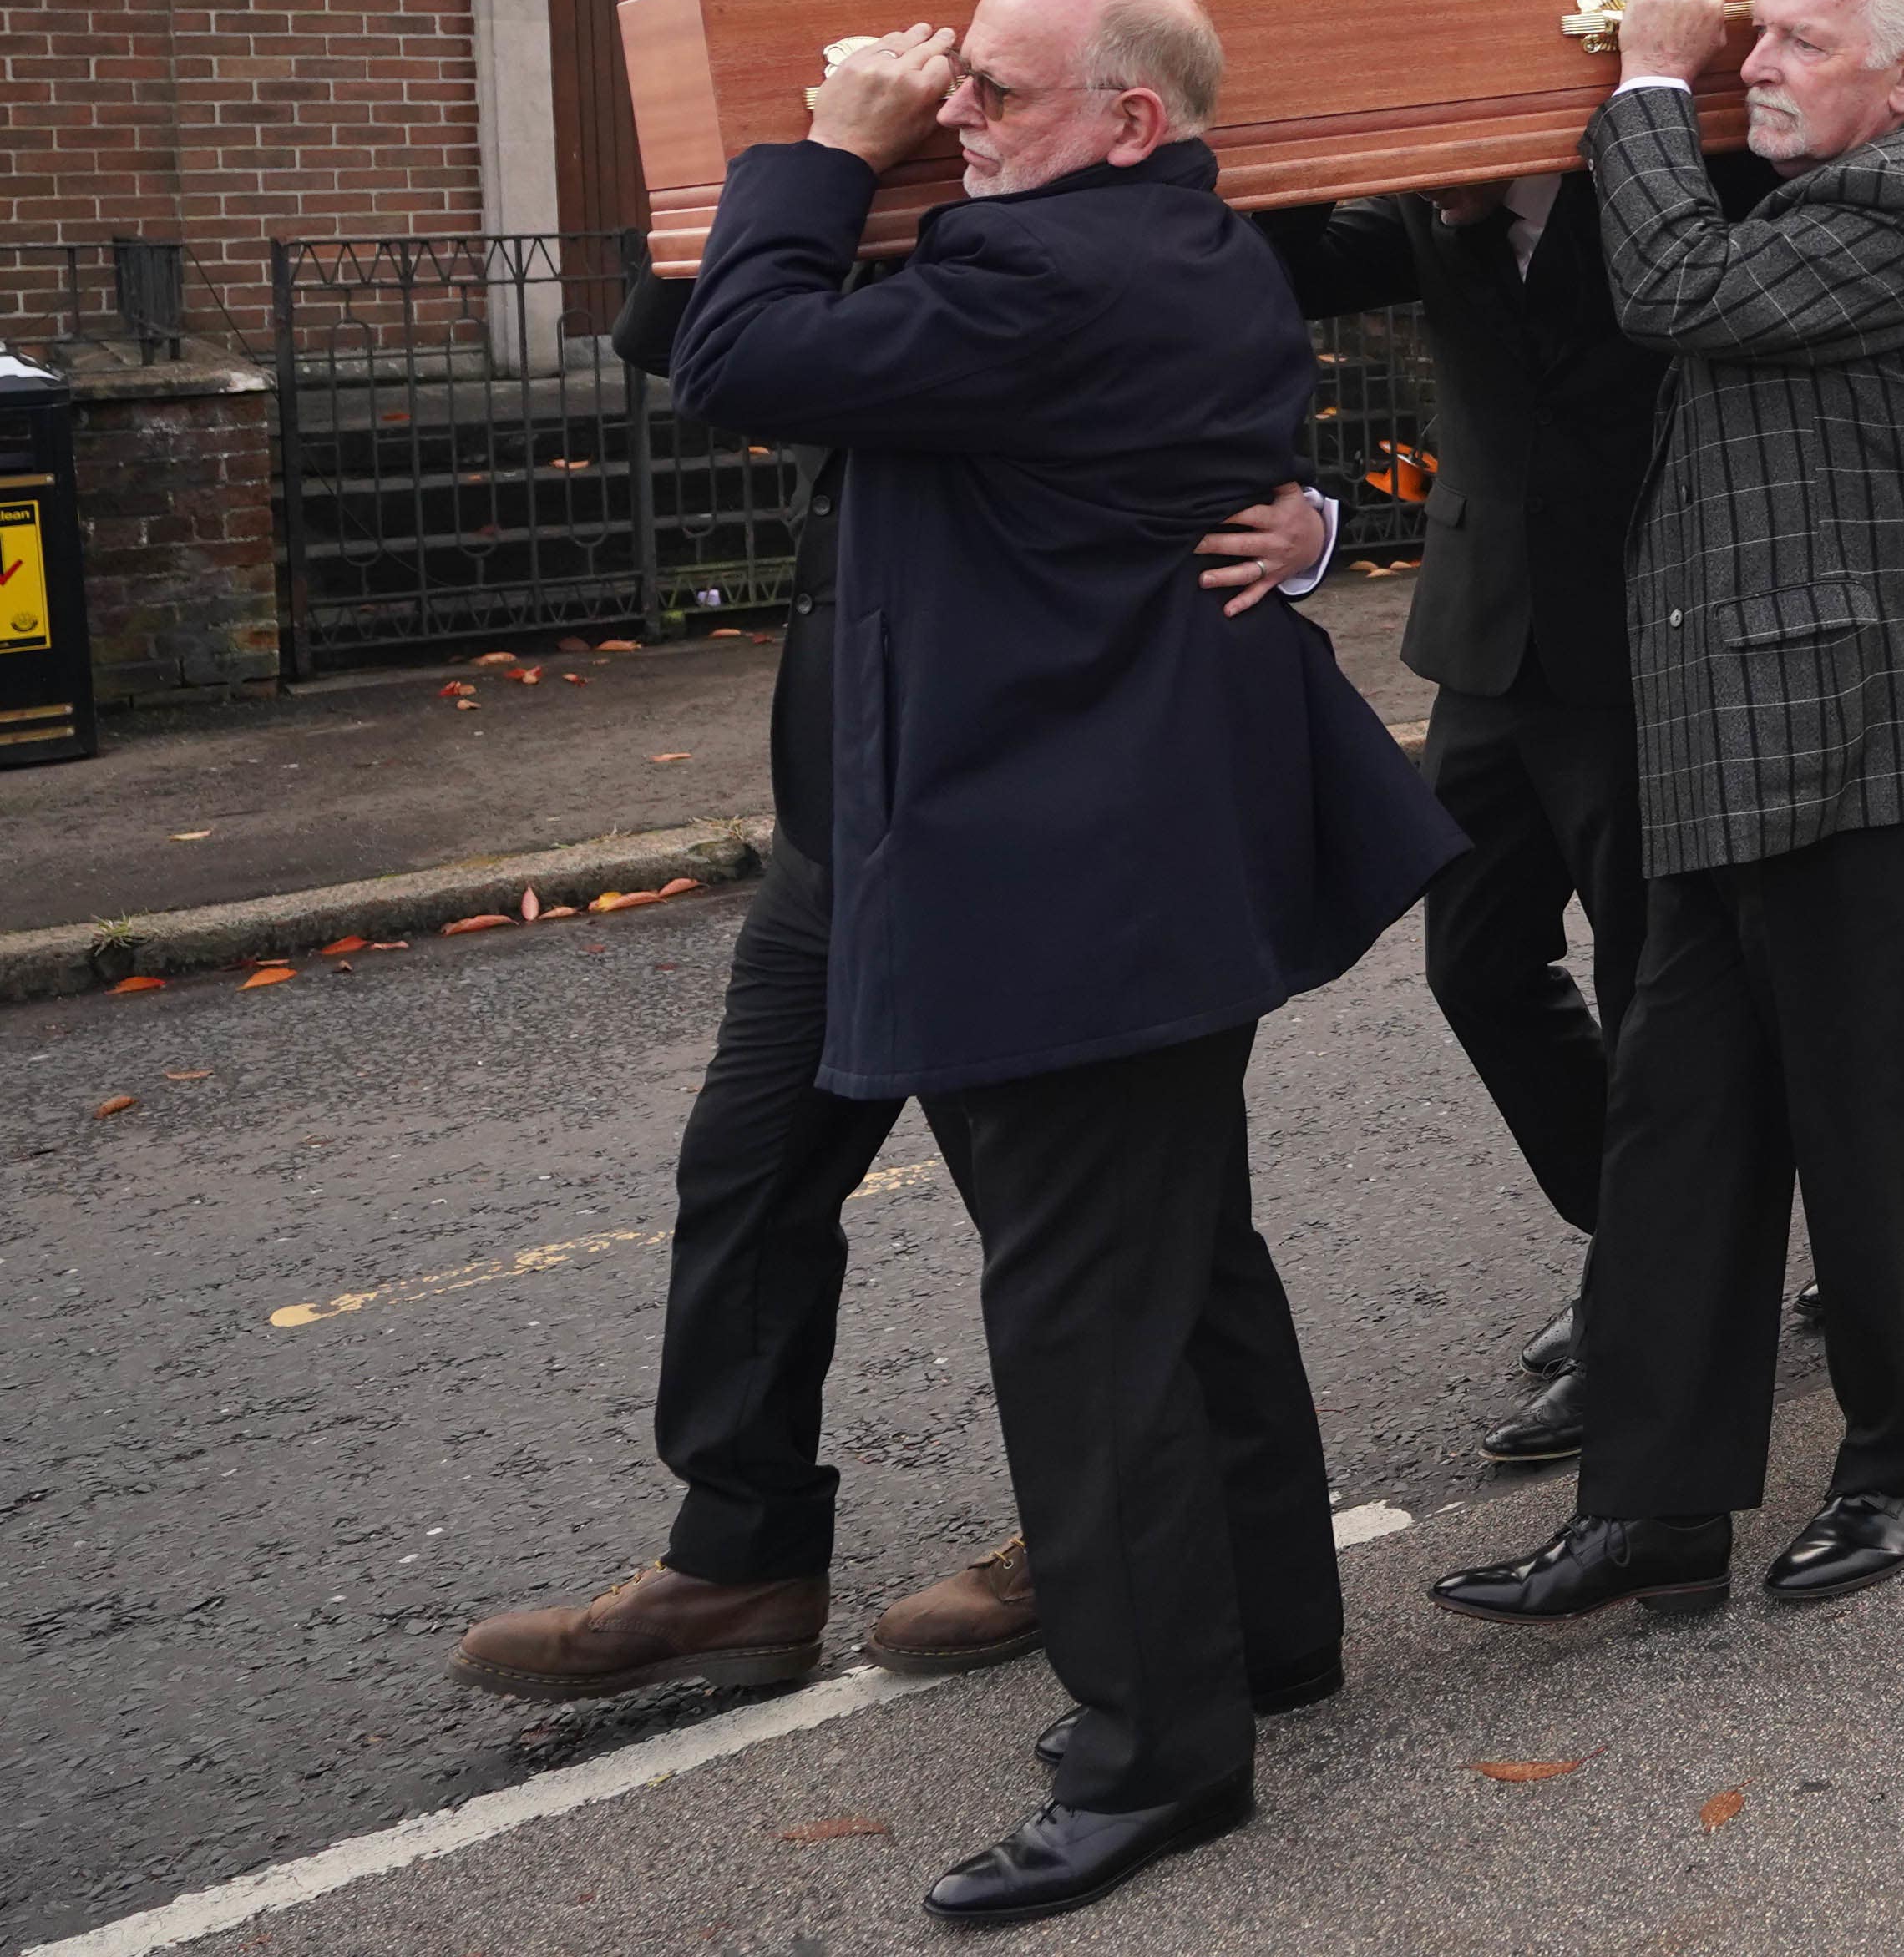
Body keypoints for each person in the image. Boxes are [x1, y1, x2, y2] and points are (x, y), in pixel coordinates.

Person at [666, 0, 1461, 1927]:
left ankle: (1157, 1753)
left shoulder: (1046, 274)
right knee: (1188, 1262)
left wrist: (818, 151)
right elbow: (711, 333)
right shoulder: (1166, 250)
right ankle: (1272, 1631)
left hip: (1063, 875)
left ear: (1131, 116)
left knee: (1088, 1317)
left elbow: (747, 365)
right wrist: (780, 179)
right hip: (1156, 858)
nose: (953, 114)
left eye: (996, 94)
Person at [446, 331, 1332, 1713]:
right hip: (844, 807)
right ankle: (743, 1558)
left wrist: (1316, 511)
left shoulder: (1049, 228)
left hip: (1002, 816)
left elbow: (1275, 288)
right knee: (750, 1172)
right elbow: (667, 320)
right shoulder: (844, 215)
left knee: (1104, 1227)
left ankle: (1124, 1536)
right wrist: (816, 166)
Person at [1436, 0, 1904, 1636]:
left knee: (1863, 1128)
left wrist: (1636, 80)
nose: (1745, 63)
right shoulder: (1850, 177)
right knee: (1677, 1128)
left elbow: (1677, 286)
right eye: (1749, 31)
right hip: (1735, 729)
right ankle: (1655, 1504)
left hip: (1865, 737)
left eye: (1792, 42)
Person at [1254, 118, 1751, 1469]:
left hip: (1645, 642)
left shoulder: (1667, 181)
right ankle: (1636, 1245)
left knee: (1656, 995)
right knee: (1475, 966)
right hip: (1485, 644)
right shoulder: (1426, 198)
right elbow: (1276, 261)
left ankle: (1644, 1313)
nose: (1420, 188)